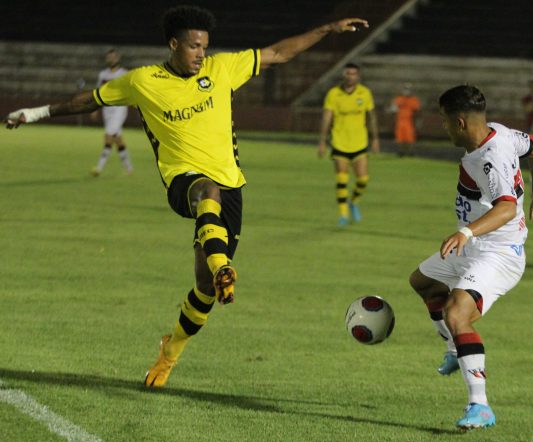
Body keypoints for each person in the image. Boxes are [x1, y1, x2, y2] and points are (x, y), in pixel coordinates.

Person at [5, 5, 368, 388]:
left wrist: (328, 28)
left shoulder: (222, 69)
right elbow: (89, 100)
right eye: (194, 46)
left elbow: (278, 53)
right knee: (206, 193)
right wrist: (35, 113)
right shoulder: (143, 81)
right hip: (184, 182)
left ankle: (169, 353)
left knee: (205, 289)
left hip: (231, 188)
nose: (201, 54)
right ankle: (223, 265)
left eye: (205, 47)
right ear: (174, 44)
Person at [408, 85, 533, 430]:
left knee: (457, 313)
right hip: (475, 246)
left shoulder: (489, 158)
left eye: (444, 120)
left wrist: (467, 232)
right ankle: (455, 350)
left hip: (498, 253)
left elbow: (505, 208)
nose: (443, 127)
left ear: (459, 122)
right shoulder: (500, 133)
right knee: (424, 282)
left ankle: (480, 405)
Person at [318, 63, 380, 226]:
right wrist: (322, 141)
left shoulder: (364, 93)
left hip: (359, 142)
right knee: (342, 178)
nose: (350, 76)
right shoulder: (333, 94)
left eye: (353, 74)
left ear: (358, 76)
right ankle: (343, 214)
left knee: (363, 179)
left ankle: (354, 202)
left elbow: (371, 116)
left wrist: (375, 138)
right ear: (343, 74)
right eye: (348, 73)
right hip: (339, 142)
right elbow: (326, 118)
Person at [91, 49, 133, 176]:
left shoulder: (124, 74)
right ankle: (128, 168)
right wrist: (95, 108)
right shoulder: (103, 75)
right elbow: (98, 92)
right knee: (117, 139)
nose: (112, 59)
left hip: (119, 109)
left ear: (118, 58)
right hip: (107, 110)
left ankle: (99, 167)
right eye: (109, 57)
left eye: (114, 57)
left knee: (108, 135)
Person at [390, 83, 420, 157]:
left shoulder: (414, 100)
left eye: (408, 89)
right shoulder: (398, 99)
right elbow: (393, 111)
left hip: (409, 121)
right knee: (400, 138)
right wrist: (393, 121)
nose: (406, 91)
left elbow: (417, 112)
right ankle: (401, 151)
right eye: (405, 89)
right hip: (400, 121)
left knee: (410, 138)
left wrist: (417, 122)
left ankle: (410, 152)